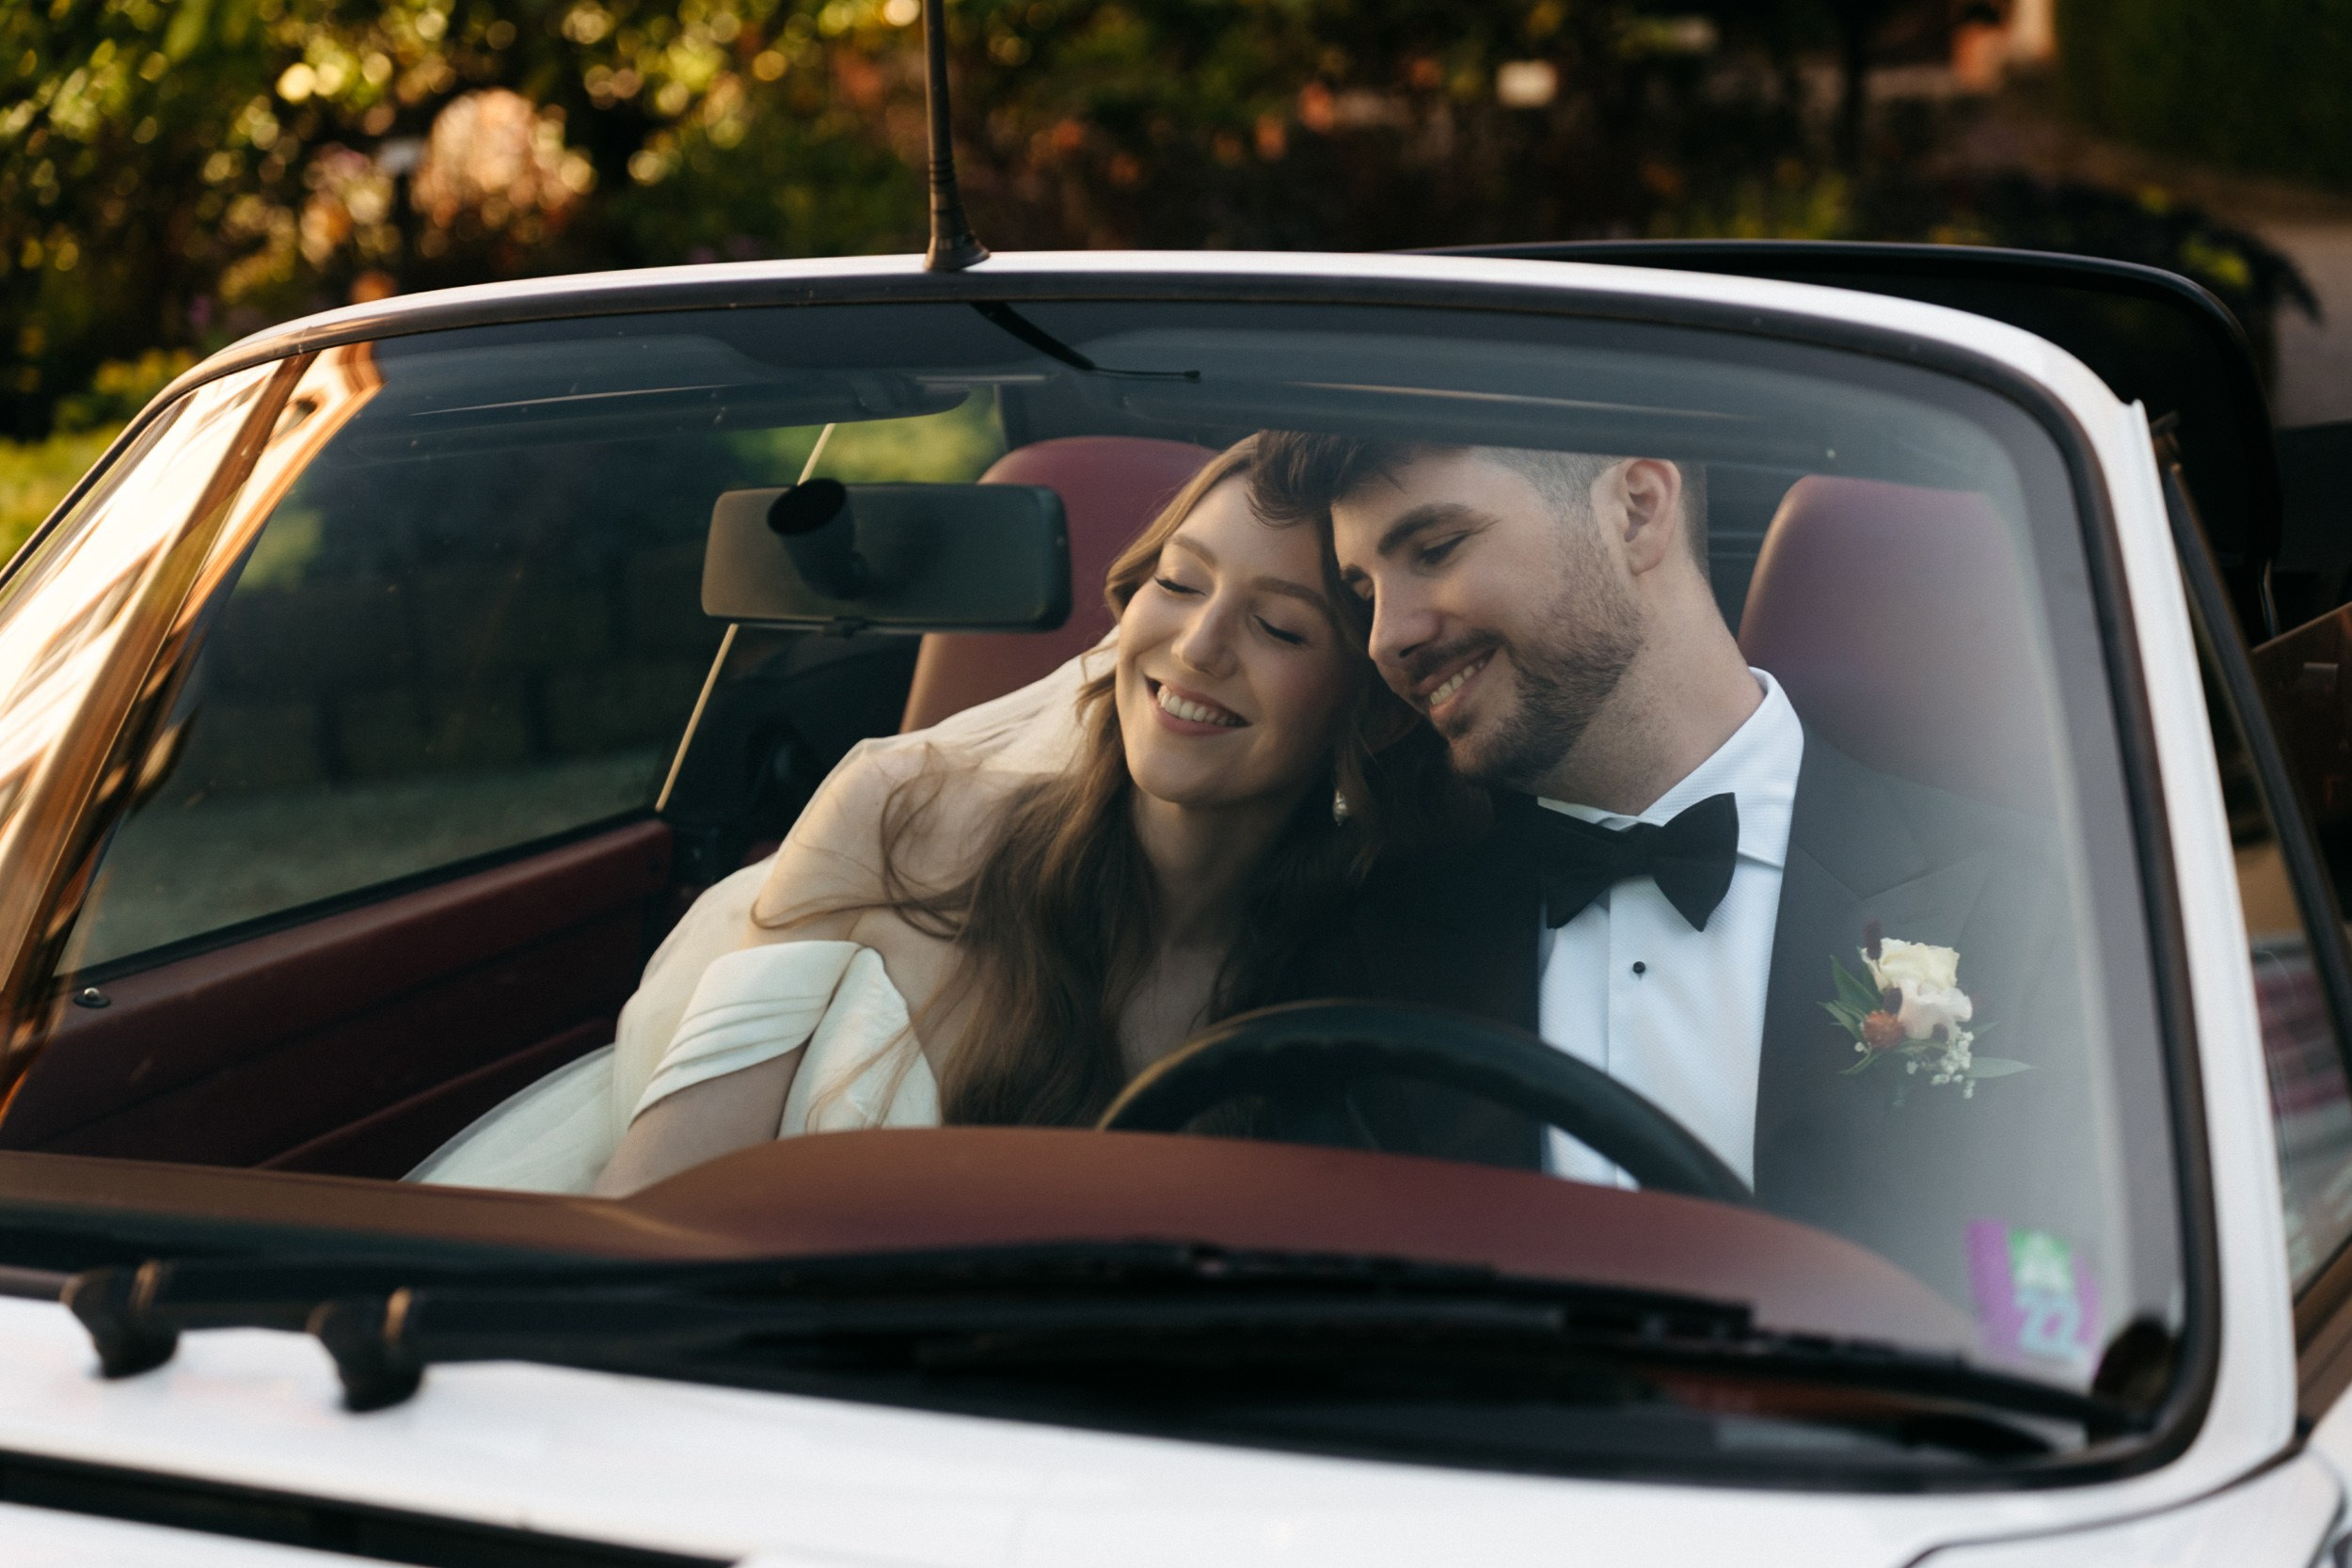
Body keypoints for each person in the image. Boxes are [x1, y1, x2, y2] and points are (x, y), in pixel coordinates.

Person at [1249, 436, 2098, 1313]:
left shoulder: (2033, 905)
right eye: (1365, 594)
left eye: (1435, 549)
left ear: (1637, 509)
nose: (1387, 638)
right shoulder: (1371, 947)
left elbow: (2067, 1307)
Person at [552, 435, 1465, 1195]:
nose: (1197, 647)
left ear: (1370, 705)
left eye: (1281, 628)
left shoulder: (1382, 961)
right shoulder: (896, 817)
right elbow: (656, 1203)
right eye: (1179, 583)